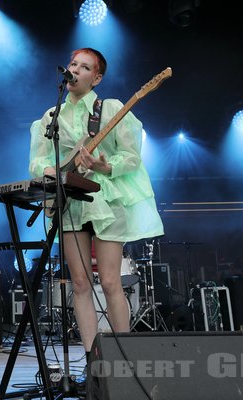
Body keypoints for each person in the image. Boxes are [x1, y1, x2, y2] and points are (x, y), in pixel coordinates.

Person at [29, 48, 164, 383]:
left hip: (106, 197)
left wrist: (106, 166)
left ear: (97, 77)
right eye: (73, 64)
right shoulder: (50, 117)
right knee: (79, 283)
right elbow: (36, 161)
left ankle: (124, 356)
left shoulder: (113, 109)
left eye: (84, 67)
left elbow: (132, 156)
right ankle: (93, 361)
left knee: (110, 281)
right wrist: (53, 171)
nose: (75, 70)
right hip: (70, 201)